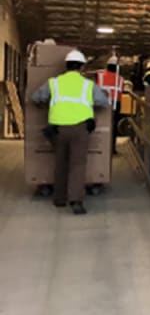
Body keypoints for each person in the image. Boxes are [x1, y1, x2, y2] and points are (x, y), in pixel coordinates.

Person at [31, 50, 109, 215]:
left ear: (66, 66)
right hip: (80, 129)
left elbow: (36, 97)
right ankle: (76, 201)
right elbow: (104, 102)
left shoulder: (54, 83)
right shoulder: (88, 84)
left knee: (60, 163)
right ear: (81, 68)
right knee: (77, 165)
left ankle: (59, 199)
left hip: (57, 129)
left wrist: (48, 106)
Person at [96, 56, 125, 155]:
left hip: (102, 103)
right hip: (115, 105)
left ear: (107, 66)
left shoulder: (100, 75)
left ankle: (100, 146)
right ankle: (112, 149)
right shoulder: (120, 79)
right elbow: (121, 92)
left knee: (100, 126)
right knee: (113, 127)